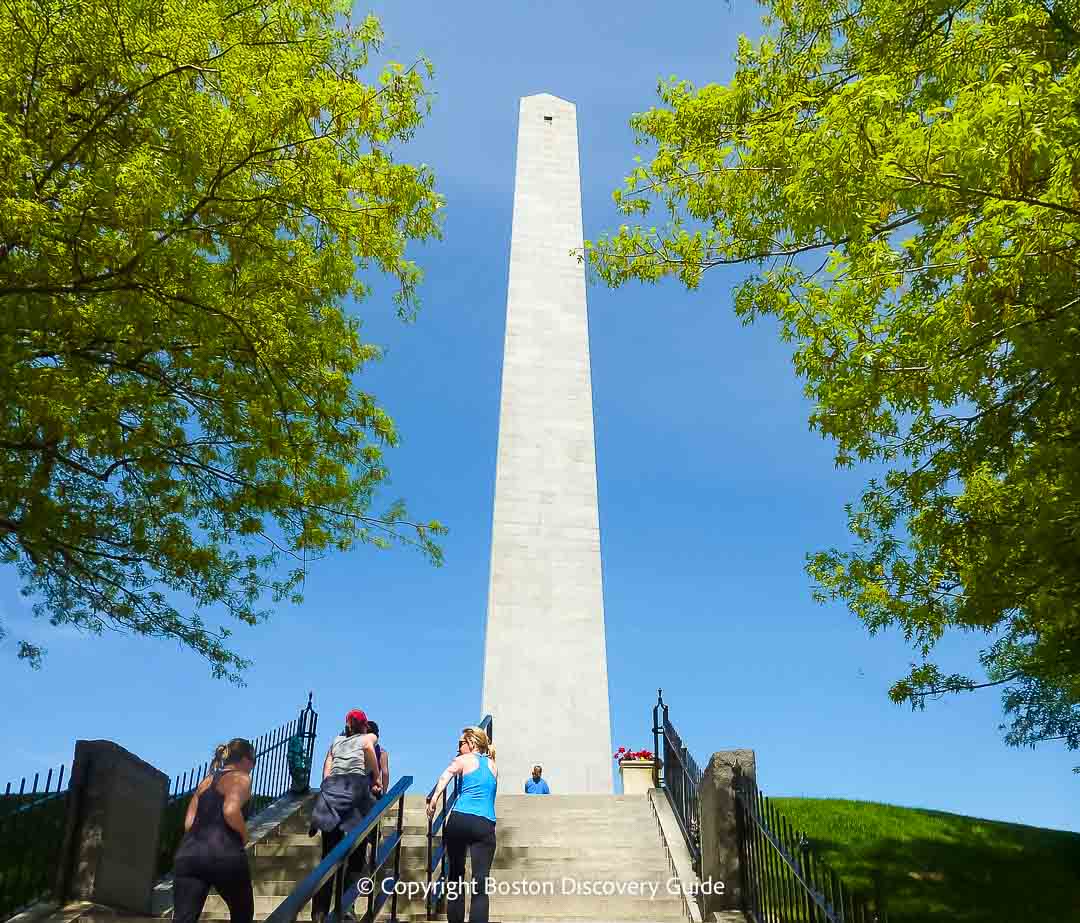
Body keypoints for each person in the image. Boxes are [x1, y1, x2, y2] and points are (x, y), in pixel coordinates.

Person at [172, 738, 257, 923]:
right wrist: (244, 835)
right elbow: (230, 810)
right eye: (253, 760)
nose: (253, 766)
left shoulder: (206, 782)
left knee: (183, 918)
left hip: (190, 854)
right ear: (244, 760)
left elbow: (188, 823)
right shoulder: (241, 777)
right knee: (242, 913)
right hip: (224, 853)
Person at [309, 710, 380, 923]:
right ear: (365, 725)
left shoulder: (337, 740)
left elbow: (327, 768)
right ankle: (347, 908)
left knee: (328, 858)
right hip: (355, 793)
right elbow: (369, 748)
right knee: (357, 857)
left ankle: (319, 912)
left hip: (331, 796)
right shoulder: (369, 737)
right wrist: (376, 778)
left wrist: (327, 786)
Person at [426, 726, 497, 923]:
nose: (458, 748)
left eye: (461, 744)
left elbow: (445, 777)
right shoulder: (493, 765)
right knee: (480, 882)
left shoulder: (463, 760)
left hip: (460, 820)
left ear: (472, 743)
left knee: (456, 875)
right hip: (485, 823)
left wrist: (434, 800)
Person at [366, 720, 391, 792]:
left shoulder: (358, 749)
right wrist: (384, 793)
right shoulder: (381, 752)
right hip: (373, 788)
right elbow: (385, 774)